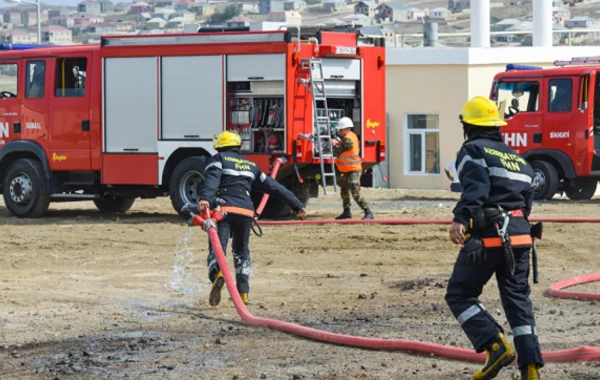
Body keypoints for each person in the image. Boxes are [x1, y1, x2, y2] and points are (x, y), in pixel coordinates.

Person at [445, 96, 543, 380]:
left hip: (490, 237)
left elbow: (475, 188)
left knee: (460, 294)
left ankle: (495, 345)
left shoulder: (472, 150)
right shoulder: (520, 160)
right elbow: (526, 206)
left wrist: (460, 220)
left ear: (469, 125)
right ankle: (532, 369)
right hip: (522, 238)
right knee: (518, 301)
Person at [198, 131, 308, 306]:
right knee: (242, 252)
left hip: (223, 210)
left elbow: (211, 181)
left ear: (220, 145)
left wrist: (205, 198)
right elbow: (274, 187)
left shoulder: (218, 158)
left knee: (218, 248)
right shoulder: (250, 165)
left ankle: (218, 274)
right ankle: (243, 294)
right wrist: (296, 204)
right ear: (238, 146)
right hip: (245, 212)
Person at [331, 117, 374, 220]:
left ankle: (368, 212)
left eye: (341, 130)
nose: (339, 132)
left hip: (353, 170)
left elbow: (336, 152)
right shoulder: (348, 138)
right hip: (346, 170)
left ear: (347, 129)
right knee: (344, 191)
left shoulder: (348, 140)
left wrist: (333, 144)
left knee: (355, 192)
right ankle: (346, 212)